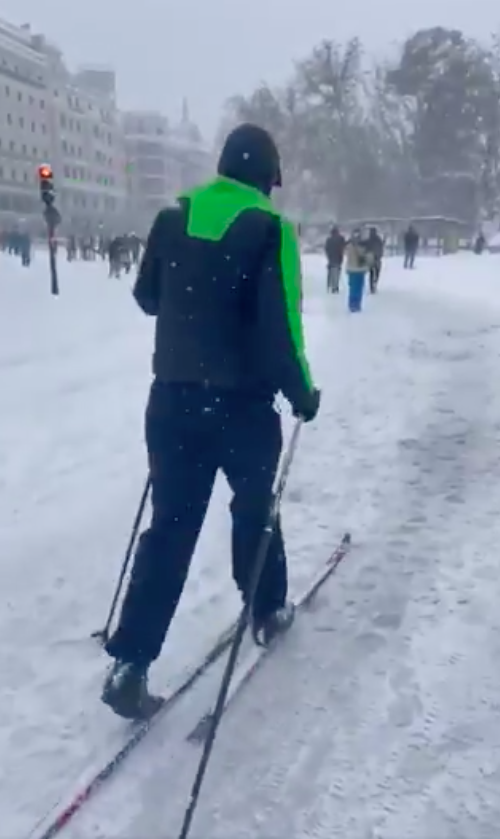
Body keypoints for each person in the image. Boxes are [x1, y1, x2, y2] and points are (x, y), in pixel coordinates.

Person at [101, 123, 320, 720]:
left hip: (171, 403)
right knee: (254, 511)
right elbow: (284, 329)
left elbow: (148, 297)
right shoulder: (269, 229)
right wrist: (301, 391)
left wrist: (194, 306)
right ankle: (268, 610)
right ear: (267, 179)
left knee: (170, 528)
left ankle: (132, 662)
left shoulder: (174, 216)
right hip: (241, 408)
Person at [344, 229, 372, 313]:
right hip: (360, 269)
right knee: (359, 288)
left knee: (353, 288)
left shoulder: (348, 245)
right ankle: (357, 305)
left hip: (351, 269)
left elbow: (345, 253)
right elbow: (369, 257)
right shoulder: (364, 246)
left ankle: (352, 304)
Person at [324, 225, 345, 292]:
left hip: (331, 258)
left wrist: (328, 256)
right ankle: (335, 286)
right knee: (336, 272)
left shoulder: (329, 239)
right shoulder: (341, 238)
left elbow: (326, 249)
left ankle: (331, 285)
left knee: (332, 272)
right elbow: (343, 246)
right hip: (338, 257)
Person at [365, 226, 384, 293]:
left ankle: (371, 285)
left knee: (371, 272)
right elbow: (381, 247)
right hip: (377, 258)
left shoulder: (369, 240)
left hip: (371, 258)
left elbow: (366, 248)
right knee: (377, 271)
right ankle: (374, 283)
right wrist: (380, 255)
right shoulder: (378, 239)